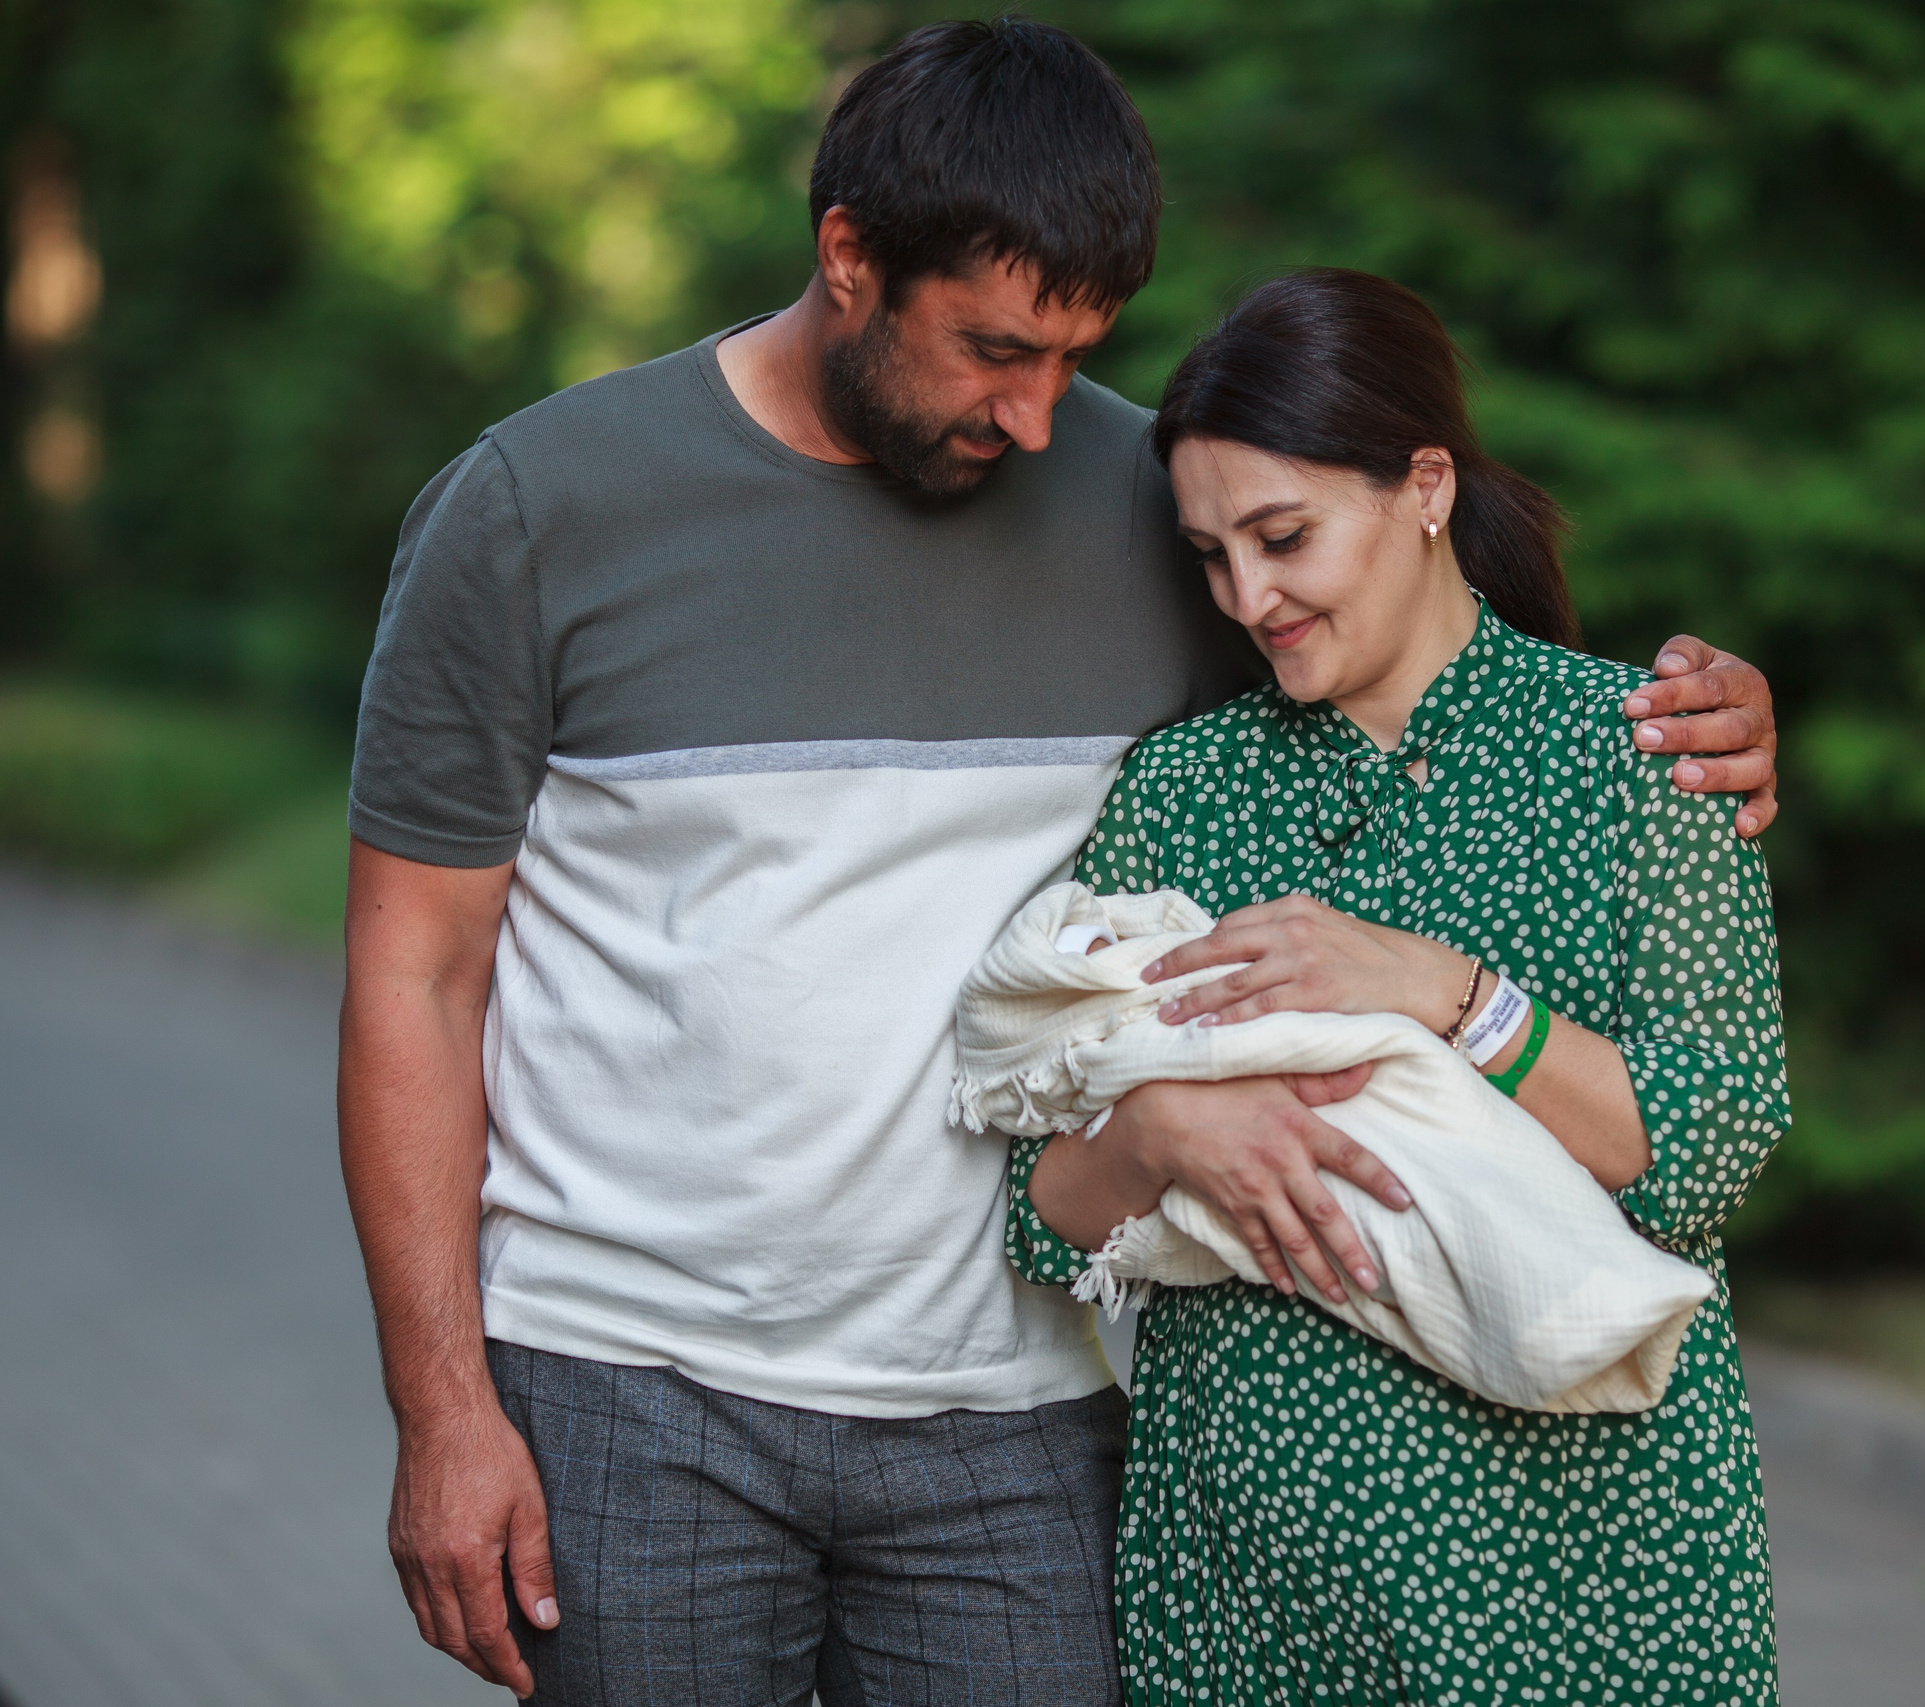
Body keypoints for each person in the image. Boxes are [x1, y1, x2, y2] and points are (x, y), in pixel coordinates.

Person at [337, 18, 1778, 1706]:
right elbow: (413, 975)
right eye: (995, 350)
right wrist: (443, 1415)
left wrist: (1712, 724)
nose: (1037, 421)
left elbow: (1408, 674)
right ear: (849, 259)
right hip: (636, 1391)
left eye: (1076, 356)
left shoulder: (1153, 497)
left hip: (1019, 1424)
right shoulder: (538, 508)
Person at [1011, 268, 1787, 1705]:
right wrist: (1161, 1139)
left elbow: (1704, 1141)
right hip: (1248, 1592)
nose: (1249, 597)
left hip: (1585, 1586)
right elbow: (1043, 1213)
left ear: (1425, 486)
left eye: (1283, 536)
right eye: (1210, 555)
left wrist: (1446, 991)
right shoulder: (1180, 792)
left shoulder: (1638, 754)